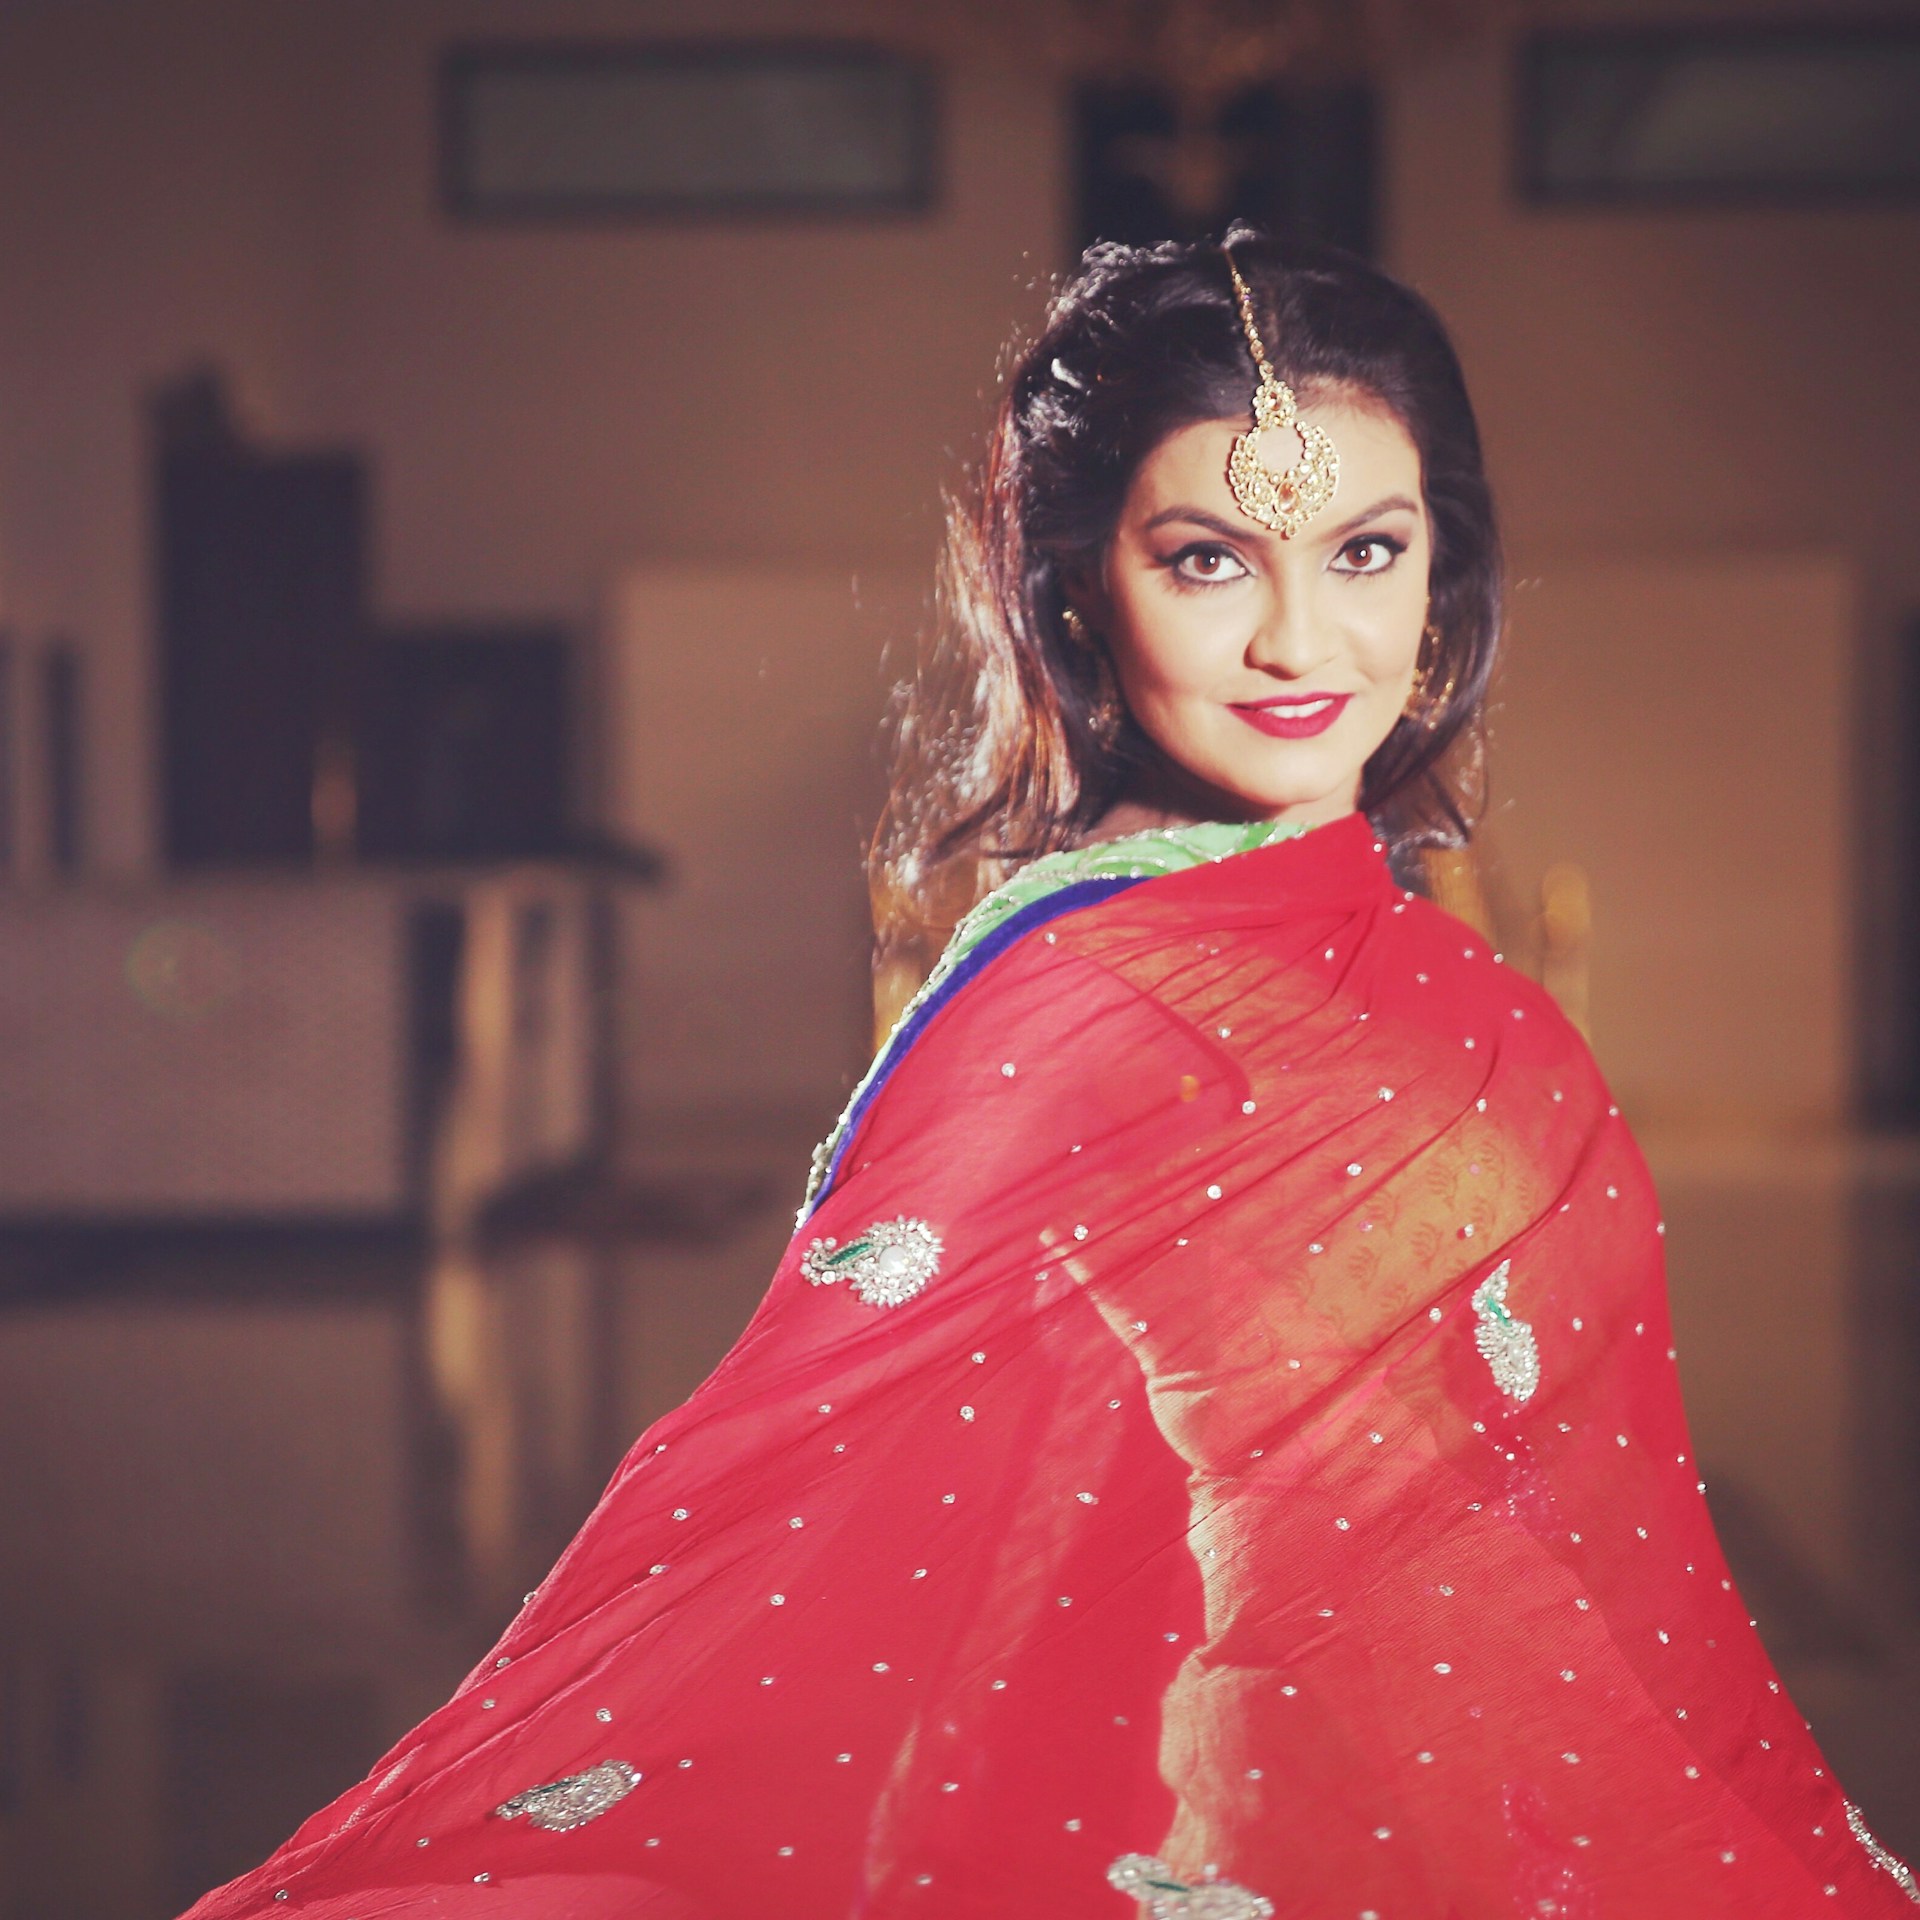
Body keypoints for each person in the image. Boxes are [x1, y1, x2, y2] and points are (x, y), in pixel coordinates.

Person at [184, 232, 1918, 1919]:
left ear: (1446, 571)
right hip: (1228, 1806)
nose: (1304, 646)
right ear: (1079, 579)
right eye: (1212, 560)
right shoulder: (1085, 989)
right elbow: (865, 1508)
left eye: (1369, 553)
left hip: (1486, 1770)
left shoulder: (1438, 980)